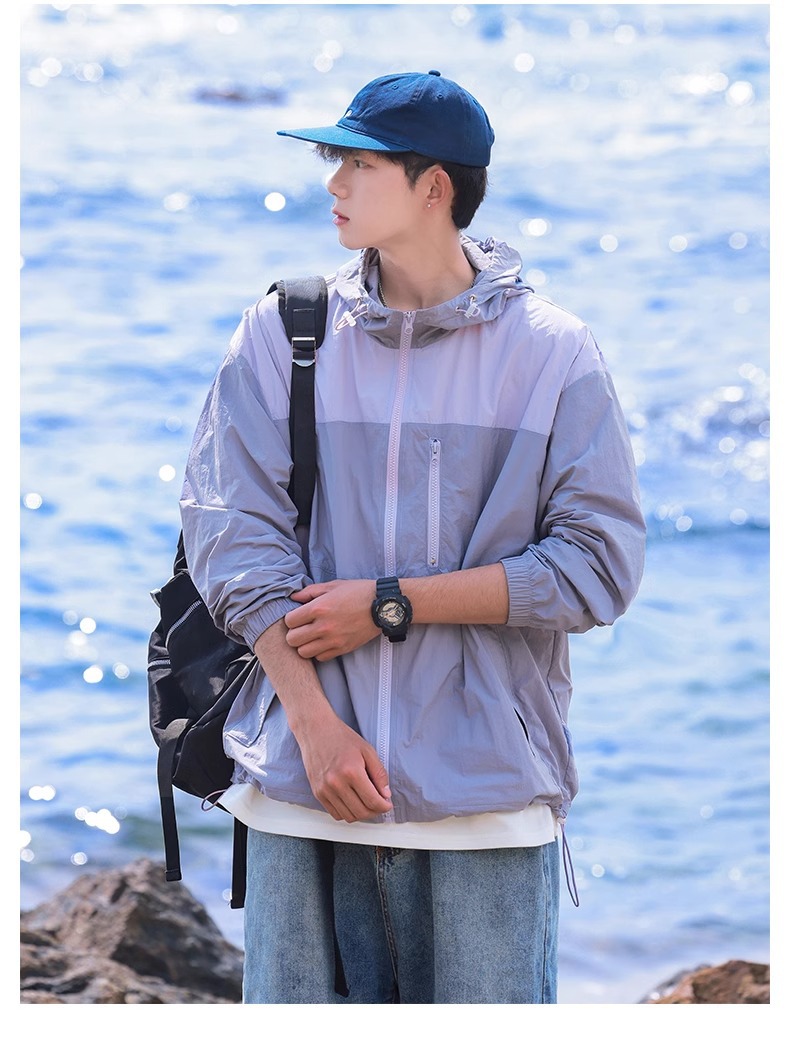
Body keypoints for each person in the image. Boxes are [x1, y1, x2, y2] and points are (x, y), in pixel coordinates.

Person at [180, 70, 646, 1004]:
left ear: (435, 187)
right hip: (304, 793)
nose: (334, 182)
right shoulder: (284, 332)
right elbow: (230, 538)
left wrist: (390, 603)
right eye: (334, 160)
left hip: (488, 807)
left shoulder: (553, 352)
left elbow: (598, 567)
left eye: (359, 163)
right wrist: (314, 726)